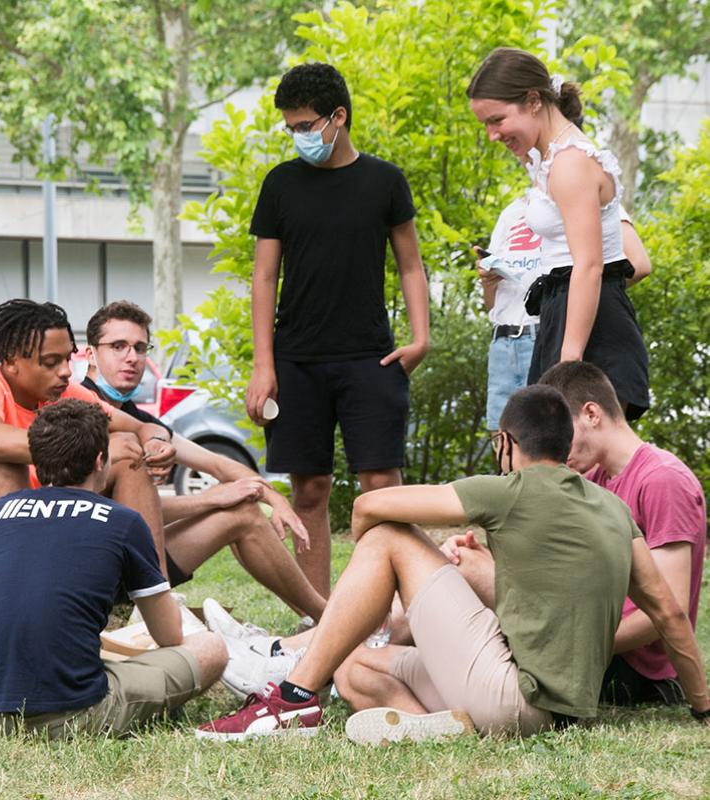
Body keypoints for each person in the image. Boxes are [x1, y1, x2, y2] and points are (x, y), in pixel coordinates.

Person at [195, 385, 710, 742]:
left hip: (513, 697)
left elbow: (370, 507)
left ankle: (292, 698)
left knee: (389, 539)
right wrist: (703, 705)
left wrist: (380, 563)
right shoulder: (615, 510)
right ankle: (429, 726)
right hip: (562, 711)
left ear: (506, 443)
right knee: (353, 668)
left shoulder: (508, 490)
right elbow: (669, 616)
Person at [245, 63, 430, 597]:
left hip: (370, 358)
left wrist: (420, 338)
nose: (298, 136)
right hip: (297, 360)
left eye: (305, 125)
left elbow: (412, 266)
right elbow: (263, 277)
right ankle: (317, 622)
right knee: (310, 492)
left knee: (382, 490)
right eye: (291, 129)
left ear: (338, 117)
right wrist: (265, 366)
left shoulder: (385, 181)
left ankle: (396, 612)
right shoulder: (280, 184)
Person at [0, 399, 226, 738]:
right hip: (77, 715)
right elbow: (167, 635)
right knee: (212, 648)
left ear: (38, 460)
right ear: (100, 460)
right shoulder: (123, 521)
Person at [82, 301, 326, 624]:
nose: (132, 357)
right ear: (90, 355)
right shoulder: (77, 413)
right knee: (226, 503)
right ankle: (335, 623)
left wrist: (273, 497)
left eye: (140, 348)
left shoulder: (140, 421)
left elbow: (219, 465)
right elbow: (115, 510)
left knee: (243, 514)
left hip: (134, 559)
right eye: (118, 346)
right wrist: (208, 499)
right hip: (94, 564)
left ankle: (325, 620)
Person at [0, 299, 176, 595]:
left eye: (67, 359)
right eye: (50, 362)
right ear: (10, 360)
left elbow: (139, 427)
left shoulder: (63, 392)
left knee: (126, 451)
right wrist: (97, 451)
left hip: (33, 538)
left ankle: (157, 593)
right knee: (5, 465)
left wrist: (156, 442)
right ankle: (10, 601)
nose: (65, 372)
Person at [467, 48, 649, 420]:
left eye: (497, 120)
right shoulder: (551, 159)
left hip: (590, 328)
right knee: (556, 467)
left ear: (533, 100)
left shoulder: (570, 163)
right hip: (560, 315)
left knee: (584, 464)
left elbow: (589, 266)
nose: (491, 135)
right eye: (485, 124)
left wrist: (569, 364)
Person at [539, 360, 706, 706]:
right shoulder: (593, 480)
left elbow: (664, 611)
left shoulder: (662, 480)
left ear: (591, 414)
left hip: (638, 669)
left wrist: (574, 645)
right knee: (465, 565)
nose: (555, 449)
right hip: (592, 638)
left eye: (559, 433)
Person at [479, 196, 651, 432]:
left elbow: (638, 263)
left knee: (557, 440)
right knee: (508, 446)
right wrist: (488, 280)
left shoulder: (585, 192)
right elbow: (493, 305)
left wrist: (572, 295)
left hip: (553, 331)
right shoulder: (513, 211)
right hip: (504, 342)